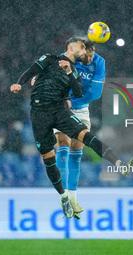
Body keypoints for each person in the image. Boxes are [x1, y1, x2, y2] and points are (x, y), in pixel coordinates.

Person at [10, 37, 133, 219]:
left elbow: (79, 92)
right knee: (51, 155)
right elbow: (33, 70)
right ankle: (64, 197)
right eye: (82, 49)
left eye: (87, 50)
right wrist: (20, 83)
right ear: (71, 47)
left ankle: (118, 164)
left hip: (63, 109)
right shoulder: (50, 59)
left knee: (84, 139)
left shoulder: (78, 69)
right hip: (40, 113)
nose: (85, 53)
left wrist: (69, 73)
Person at [54, 41, 105, 219]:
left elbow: (95, 93)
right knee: (63, 142)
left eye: (91, 56)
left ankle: (72, 198)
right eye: (85, 56)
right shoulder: (68, 58)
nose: (88, 59)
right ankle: (64, 196)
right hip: (61, 105)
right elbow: (52, 69)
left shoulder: (99, 63)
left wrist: (73, 102)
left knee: (77, 151)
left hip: (80, 107)